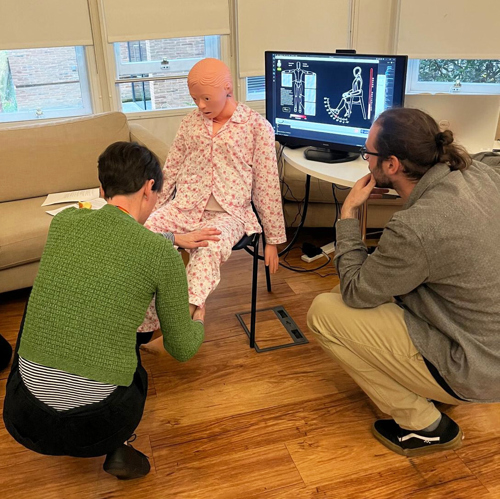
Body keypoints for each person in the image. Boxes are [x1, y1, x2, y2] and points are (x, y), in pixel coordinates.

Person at [3, 142, 214, 479]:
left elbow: (117, 236)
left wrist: (173, 236)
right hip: (98, 420)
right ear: (149, 188)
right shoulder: (161, 256)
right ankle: (119, 443)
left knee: (43, 305)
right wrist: (200, 318)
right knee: (133, 357)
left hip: (23, 413)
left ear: (102, 189)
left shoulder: (65, 222)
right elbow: (182, 348)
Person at [307, 108, 500, 457]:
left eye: (369, 154)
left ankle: (425, 426)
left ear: (392, 164)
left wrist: (347, 216)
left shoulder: (416, 228)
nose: (366, 162)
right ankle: (425, 384)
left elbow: (355, 291)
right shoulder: (477, 171)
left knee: (325, 312)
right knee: (351, 295)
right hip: (487, 342)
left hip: (477, 368)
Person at [138, 58, 286, 350]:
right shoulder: (190, 123)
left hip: (229, 214)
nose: (201, 105)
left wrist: (273, 239)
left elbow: (267, 186)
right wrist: (150, 215)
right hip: (186, 205)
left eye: (206, 98)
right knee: (147, 237)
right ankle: (146, 324)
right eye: (195, 99)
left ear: (228, 88)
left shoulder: (257, 127)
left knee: (207, 248)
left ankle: (181, 326)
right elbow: (172, 169)